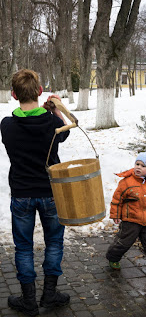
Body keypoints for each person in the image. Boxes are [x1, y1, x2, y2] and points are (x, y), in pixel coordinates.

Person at [1, 69, 71, 316]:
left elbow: (25, 124)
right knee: (54, 242)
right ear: (40, 92)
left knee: (23, 247)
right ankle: (49, 295)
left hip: (21, 194)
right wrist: (55, 109)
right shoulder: (52, 122)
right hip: (52, 193)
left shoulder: (7, 125)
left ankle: (28, 300)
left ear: (13, 94)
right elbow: (65, 131)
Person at [106, 150, 146, 278]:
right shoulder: (126, 182)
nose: (138, 168)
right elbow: (117, 200)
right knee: (123, 241)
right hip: (131, 219)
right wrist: (116, 215)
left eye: (143, 166)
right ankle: (113, 257)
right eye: (137, 164)